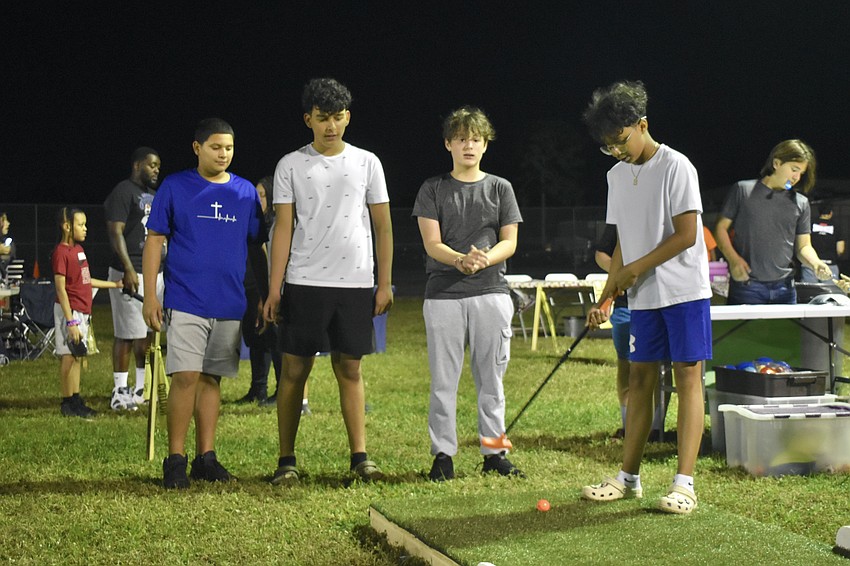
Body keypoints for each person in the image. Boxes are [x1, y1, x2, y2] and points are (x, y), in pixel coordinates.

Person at [580, 80, 712, 515]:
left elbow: (687, 235)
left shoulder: (677, 167)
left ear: (641, 125)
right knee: (639, 382)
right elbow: (622, 240)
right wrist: (609, 290)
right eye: (608, 146)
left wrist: (637, 268)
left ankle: (684, 484)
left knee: (688, 377)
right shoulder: (616, 176)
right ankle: (628, 478)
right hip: (643, 298)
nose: (616, 151)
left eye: (620, 141)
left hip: (684, 291)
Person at [263, 77, 394, 484]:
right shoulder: (290, 164)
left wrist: (384, 282)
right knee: (294, 370)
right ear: (308, 120)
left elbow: (383, 227)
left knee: (350, 369)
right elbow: (282, 228)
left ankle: (361, 458)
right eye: (322, 119)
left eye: (338, 118)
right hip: (304, 282)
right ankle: (287, 460)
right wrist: (274, 287)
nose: (331, 126)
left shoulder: (367, 162)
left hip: (355, 282)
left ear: (348, 117)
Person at [142, 118, 268, 489]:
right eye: (216, 147)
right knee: (185, 377)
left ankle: (205, 457)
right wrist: (151, 295)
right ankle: (175, 459)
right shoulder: (176, 186)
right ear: (197, 148)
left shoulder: (245, 193)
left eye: (229, 147)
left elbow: (255, 246)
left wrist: (261, 295)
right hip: (186, 299)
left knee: (212, 379)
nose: (223, 154)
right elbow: (154, 241)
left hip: (229, 302)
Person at [413, 106, 524, 481]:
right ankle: (443, 455)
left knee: (491, 380)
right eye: (460, 139)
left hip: (491, 292)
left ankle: (494, 453)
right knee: (444, 381)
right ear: (448, 144)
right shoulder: (433, 188)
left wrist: (483, 260)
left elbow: (509, 242)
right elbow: (432, 242)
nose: (468, 146)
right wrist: (461, 260)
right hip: (443, 295)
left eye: (475, 139)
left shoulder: (500, 188)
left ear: (485, 144)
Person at [715, 139, 831, 304]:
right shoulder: (743, 190)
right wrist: (733, 260)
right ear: (776, 163)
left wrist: (816, 263)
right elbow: (720, 228)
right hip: (747, 285)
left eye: (801, 173)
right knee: (742, 331)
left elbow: (804, 246)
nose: (796, 177)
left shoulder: (801, 202)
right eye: (794, 169)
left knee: (787, 331)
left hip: (786, 288)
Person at [594, 224, 667, 442]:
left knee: (662, 366)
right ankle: (628, 425)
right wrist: (619, 274)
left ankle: (656, 427)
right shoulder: (621, 214)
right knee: (627, 363)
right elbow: (601, 254)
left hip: (661, 300)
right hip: (626, 305)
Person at [104, 147, 164, 412]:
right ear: (138, 165)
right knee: (127, 334)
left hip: (154, 272)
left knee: (147, 335)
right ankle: (119, 390)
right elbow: (115, 232)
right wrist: (128, 267)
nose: (156, 170)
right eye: (152, 165)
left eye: (158, 166)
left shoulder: (154, 195)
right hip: (130, 271)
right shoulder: (123, 191)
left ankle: (141, 388)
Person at [52, 207, 122, 418]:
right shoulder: (61, 253)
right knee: (68, 356)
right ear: (67, 226)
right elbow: (61, 289)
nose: (85, 228)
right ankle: (67, 403)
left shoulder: (79, 251)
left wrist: (114, 284)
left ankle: (76, 399)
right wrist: (70, 321)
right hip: (69, 311)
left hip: (82, 310)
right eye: (80, 224)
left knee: (77, 355)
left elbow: (86, 280)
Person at [237, 175, 283, 407]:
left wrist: (266, 294)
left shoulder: (277, 225)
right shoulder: (253, 222)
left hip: (264, 288)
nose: (258, 199)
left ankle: (282, 390)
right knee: (255, 337)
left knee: (274, 339)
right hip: (248, 286)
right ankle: (258, 389)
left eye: (263, 195)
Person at [800, 202, 845, 282]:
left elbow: (802, 243)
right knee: (830, 292)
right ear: (831, 213)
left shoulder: (809, 224)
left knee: (810, 292)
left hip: (810, 264)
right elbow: (840, 249)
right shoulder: (836, 226)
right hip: (830, 265)